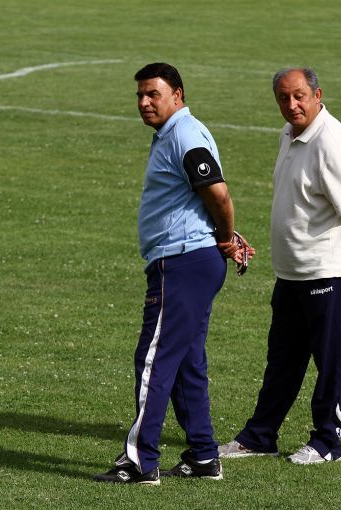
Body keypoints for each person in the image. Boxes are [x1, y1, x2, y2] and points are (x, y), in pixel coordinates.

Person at [94, 62, 253, 485]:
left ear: (177, 95)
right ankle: (203, 455)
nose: (144, 102)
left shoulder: (184, 134)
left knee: (154, 359)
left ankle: (140, 462)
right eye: (140, 95)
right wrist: (223, 237)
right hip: (190, 261)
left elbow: (218, 192)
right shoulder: (174, 133)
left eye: (154, 94)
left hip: (182, 264)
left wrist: (225, 237)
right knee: (186, 362)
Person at [218, 67, 341, 465]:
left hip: (327, 270)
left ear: (317, 95)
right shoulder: (288, 134)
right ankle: (260, 436)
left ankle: (327, 442)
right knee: (283, 359)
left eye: (299, 96)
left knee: (330, 360)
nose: (292, 105)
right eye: (283, 98)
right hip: (291, 271)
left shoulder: (329, 141)